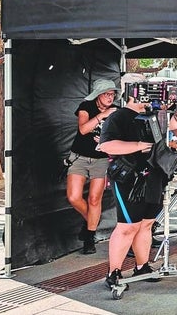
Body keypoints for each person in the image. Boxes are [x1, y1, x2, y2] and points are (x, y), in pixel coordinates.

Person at [98, 97, 177, 288]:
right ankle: (114, 272)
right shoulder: (118, 117)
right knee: (127, 226)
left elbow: (176, 122)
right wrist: (138, 146)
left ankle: (142, 266)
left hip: (154, 176)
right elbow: (105, 145)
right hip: (129, 177)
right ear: (133, 94)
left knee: (146, 224)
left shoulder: (155, 115)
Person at [67, 79, 119, 254]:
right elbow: (83, 129)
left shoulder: (116, 111)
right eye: (106, 94)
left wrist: (106, 139)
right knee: (74, 197)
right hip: (79, 157)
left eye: (112, 94)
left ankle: (89, 236)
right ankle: (91, 222)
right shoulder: (86, 106)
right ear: (98, 94)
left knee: (94, 199)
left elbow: (119, 135)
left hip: (101, 160)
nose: (110, 97)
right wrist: (101, 116)